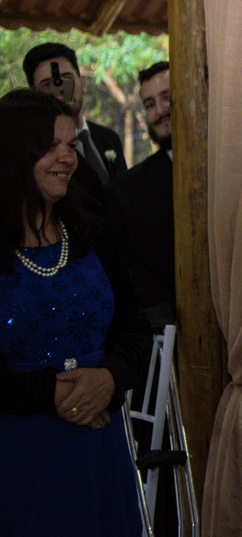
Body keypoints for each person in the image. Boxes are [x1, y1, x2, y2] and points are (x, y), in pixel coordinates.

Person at [0, 89, 151, 537]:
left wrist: (109, 378)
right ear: (13, 152)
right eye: (51, 146)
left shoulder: (91, 232)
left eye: (70, 145)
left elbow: (135, 326)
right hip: (18, 459)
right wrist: (52, 393)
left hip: (98, 451)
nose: (67, 158)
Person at [107, 61, 174, 330]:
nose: (160, 112)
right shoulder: (125, 193)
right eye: (149, 105)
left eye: (167, 98)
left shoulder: (236, 169)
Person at [23, 43, 127, 215]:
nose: (60, 90)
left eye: (66, 79)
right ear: (33, 95)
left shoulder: (108, 138)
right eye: (47, 84)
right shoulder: (34, 150)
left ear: (83, 83)